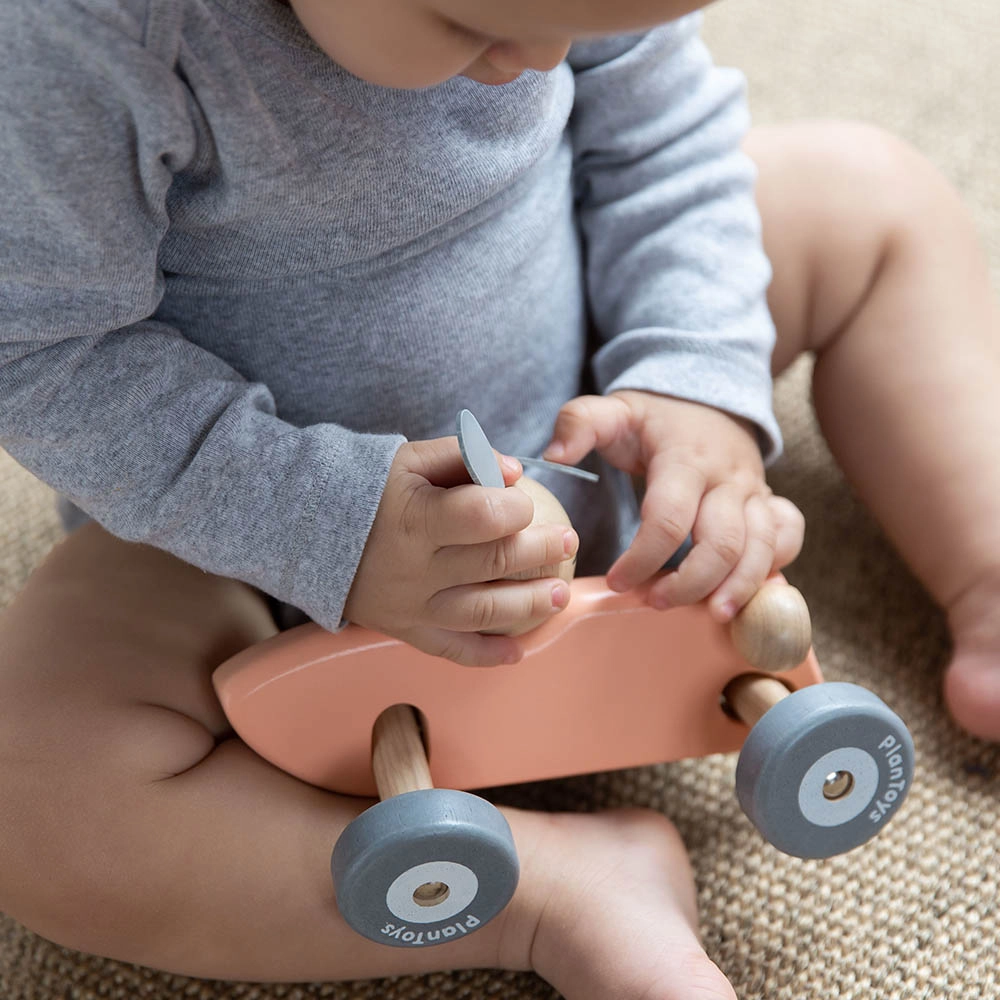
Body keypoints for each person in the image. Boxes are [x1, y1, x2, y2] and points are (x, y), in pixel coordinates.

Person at [0, 0, 997, 997]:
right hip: (257, 557)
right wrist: (334, 527)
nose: (545, 60)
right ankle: (553, 894)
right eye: (467, 24)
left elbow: (664, 144)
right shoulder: (83, 33)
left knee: (873, 196)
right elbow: (44, 353)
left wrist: (697, 383)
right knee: (40, 803)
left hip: (598, 403)